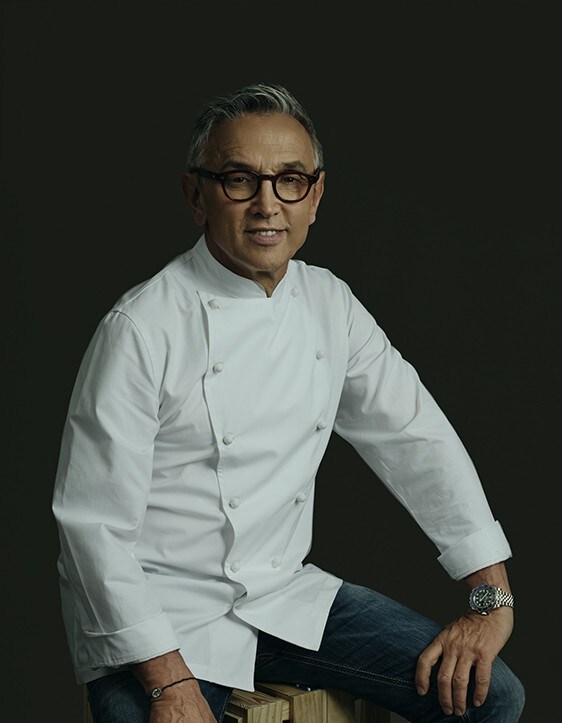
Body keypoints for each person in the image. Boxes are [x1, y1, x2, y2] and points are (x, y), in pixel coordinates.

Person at [52, 83, 525, 723]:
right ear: (196, 195)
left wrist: (490, 598)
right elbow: (92, 529)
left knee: (491, 698)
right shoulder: (141, 328)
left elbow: (417, 440)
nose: (267, 205)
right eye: (239, 180)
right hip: (156, 621)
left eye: (290, 181)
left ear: (316, 197)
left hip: (281, 596)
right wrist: (168, 684)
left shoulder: (330, 304)